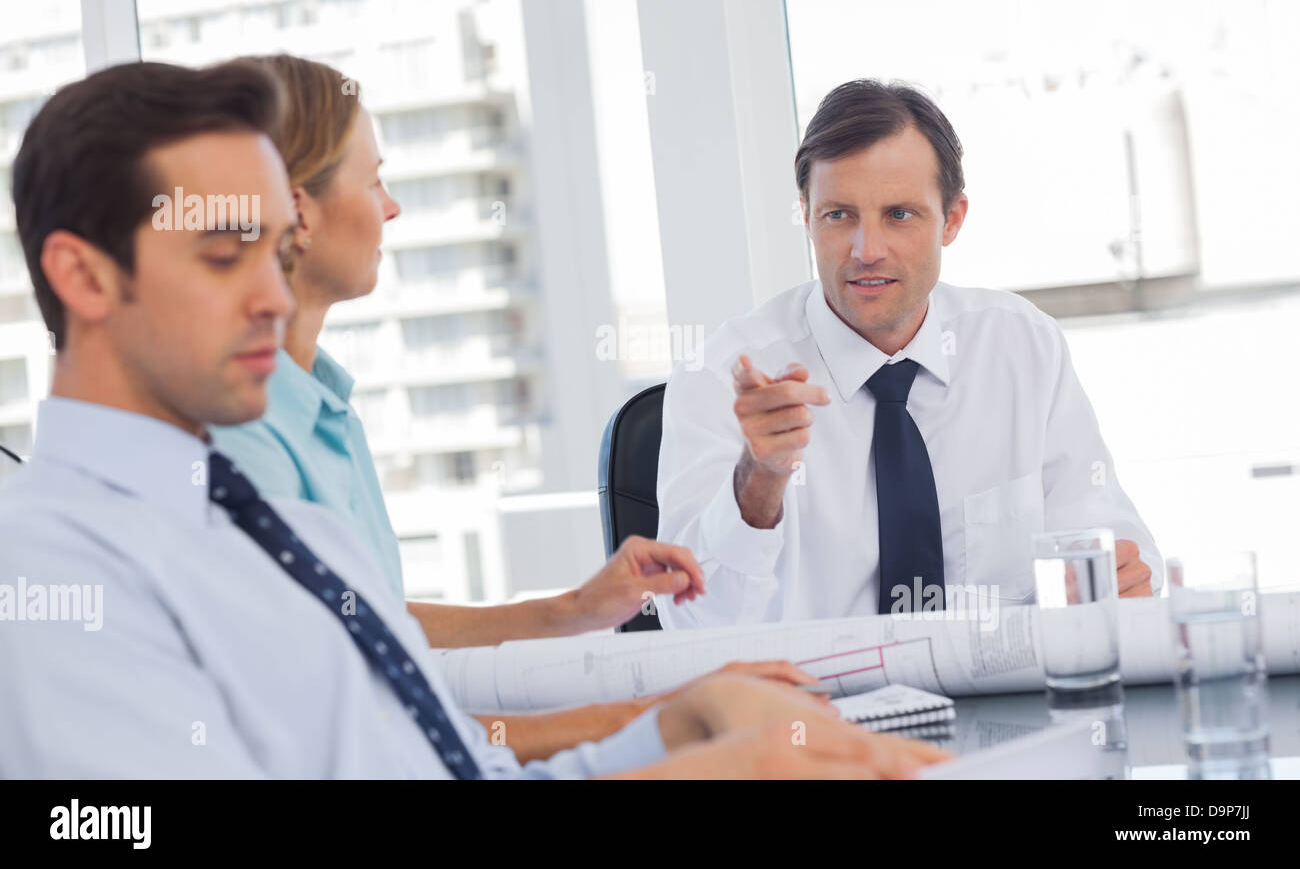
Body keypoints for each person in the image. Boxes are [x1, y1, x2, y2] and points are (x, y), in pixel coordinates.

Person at [0, 59, 949, 778]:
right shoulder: (50, 579)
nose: (268, 294)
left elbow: (455, 766)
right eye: (222, 256)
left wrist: (678, 727)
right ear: (83, 276)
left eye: (275, 247)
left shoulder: (291, 535)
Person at [209, 55, 702, 651]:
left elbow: (377, 620)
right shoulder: (239, 433)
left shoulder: (325, 403)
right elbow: (344, 678)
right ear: (300, 212)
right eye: (372, 183)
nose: (390, 207)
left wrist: (576, 608)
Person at [655, 79, 1162, 629]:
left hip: (1000, 698)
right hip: (812, 707)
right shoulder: (721, 377)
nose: (866, 251)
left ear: (952, 220)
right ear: (805, 214)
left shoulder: (1021, 347)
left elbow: (1111, 545)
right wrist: (758, 480)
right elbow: (693, 625)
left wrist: (1118, 583)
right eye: (838, 215)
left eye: (898, 215)